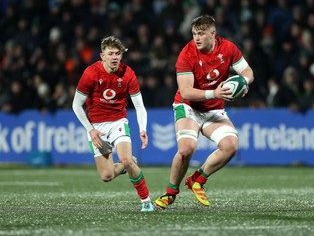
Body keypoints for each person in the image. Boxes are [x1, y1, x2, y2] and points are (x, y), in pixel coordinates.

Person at [154, 15, 254, 209]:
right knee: (187, 149)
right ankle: (170, 193)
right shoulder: (187, 54)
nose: (196, 38)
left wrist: (243, 83)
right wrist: (215, 92)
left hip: (213, 109)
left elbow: (249, 73)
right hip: (188, 106)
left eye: (201, 34)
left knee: (231, 146)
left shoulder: (228, 48)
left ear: (213, 34)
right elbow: (186, 91)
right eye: (194, 34)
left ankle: (197, 179)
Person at [72, 36, 155, 212]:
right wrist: (91, 130)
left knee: (125, 158)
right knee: (107, 176)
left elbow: (139, 106)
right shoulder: (91, 73)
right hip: (96, 127)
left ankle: (146, 201)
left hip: (117, 122)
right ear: (102, 56)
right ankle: (126, 165)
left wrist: (142, 129)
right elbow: (76, 105)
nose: (115, 57)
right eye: (110, 54)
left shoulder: (128, 74)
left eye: (118, 53)